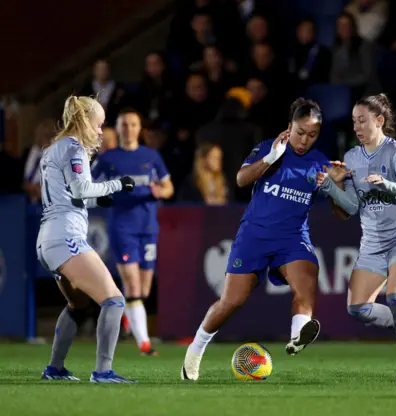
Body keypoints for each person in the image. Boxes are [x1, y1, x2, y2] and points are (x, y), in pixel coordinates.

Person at [181, 98, 330, 381]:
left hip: (292, 237)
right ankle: (196, 349)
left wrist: (335, 187)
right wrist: (270, 159)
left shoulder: (319, 162)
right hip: (254, 235)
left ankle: (298, 334)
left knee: (307, 278)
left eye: (312, 135)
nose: (304, 140)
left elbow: (342, 211)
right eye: (300, 132)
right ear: (290, 126)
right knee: (232, 301)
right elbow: (240, 179)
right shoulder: (268, 148)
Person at [317, 93, 396, 383]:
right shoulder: (353, 157)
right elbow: (353, 206)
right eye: (354, 120)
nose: (357, 126)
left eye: (362, 120)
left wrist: (387, 184)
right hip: (372, 243)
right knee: (358, 308)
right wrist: (329, 186)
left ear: (379, 121)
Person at [37, 95, 136, 383]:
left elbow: (68, 197)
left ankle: (55, 369)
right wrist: (119, 184)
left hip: (49, 239)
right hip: (65, 236)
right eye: (98, 124)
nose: (100, 131)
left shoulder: (54, 149)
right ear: (84, 121)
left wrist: (97, 201)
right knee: (114, 300)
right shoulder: (73, 147)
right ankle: (103, 372)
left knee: (78, 305)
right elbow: (81, 189)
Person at [92, 108, 174, 356]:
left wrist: (162, 192)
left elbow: (168, 187)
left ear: (140, 128)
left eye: (133, 124)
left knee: (143, 290)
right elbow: (89, 186)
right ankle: (144, 344)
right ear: (117, 128)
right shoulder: (108, 159)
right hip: (122, 227)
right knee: (133, 285)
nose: (128, 129)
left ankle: (129, 316)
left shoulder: (151, 156)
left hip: (148, 228)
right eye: (124, 125)